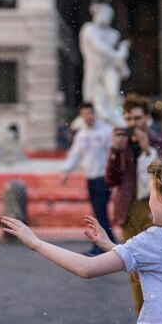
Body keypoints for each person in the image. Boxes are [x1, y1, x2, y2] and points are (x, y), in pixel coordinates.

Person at [2, 157, 162, 324]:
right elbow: (158, 272)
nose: (148, 200)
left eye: (150, 192)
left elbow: (86, 268)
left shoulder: (156, 240)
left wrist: (36, 243)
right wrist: (110, 246)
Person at [105, 94, 162, 314]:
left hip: (157, 209)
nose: (132, 124)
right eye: (128, 119)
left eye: (137, 118)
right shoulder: (122, 145)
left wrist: (148, 151)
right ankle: (143, 318)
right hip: (129, 208)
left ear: (147, 117)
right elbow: (111, 179)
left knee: (161, 265)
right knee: (134, 267)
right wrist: (116, 151)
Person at [62, 102, 115, 256]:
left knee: (100, 212)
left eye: (89, 113)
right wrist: (66, 171)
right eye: (83, 114)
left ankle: (102, 245)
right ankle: (108, 243)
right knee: (98, 212)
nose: (87, 117)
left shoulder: (106, 131)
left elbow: (113, 154)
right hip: (90, 177)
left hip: (103, 178)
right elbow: (75, 154)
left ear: (94, 114)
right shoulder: (81, 134)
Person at [79, 2, 130, 126]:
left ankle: (113, 116)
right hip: (94, 67)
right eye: (104, 14)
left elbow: (113, 53)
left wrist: (122, 58)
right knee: (91, 96)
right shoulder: (89, 28)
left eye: (109, 15)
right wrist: (117, 54)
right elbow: (98, 46)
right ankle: (93, 117)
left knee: (113, 93)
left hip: (109, 67)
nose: (106, 17)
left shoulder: (113, 34)